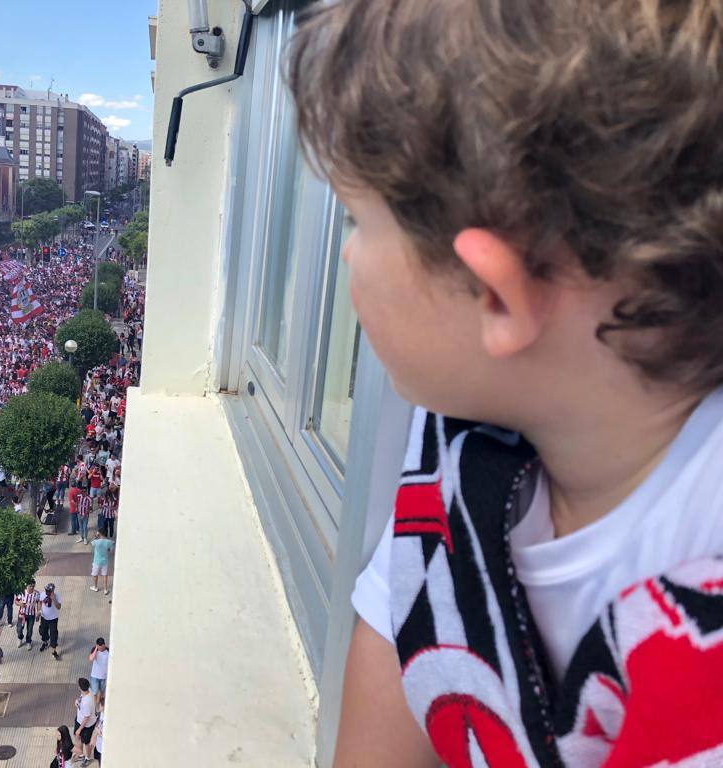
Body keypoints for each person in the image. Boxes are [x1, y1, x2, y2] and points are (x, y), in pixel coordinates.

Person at [288, 3, 723, 765]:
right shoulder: (465, 430)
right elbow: (400, 627)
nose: (349, 257)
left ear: (495, 296)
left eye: (361, 222)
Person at [73, 678, 98, 766]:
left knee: (86, 743)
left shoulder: (86, 703)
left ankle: (88, 758)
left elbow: (86, 717)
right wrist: (78, 701)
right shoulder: (88, 691)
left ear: (80, 687)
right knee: (77, 736)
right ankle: (81, 755)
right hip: (79, 719)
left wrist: (80, 729)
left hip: (87, 725)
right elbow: (82, 697)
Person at [38, 582, 62, 660]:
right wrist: (38, 611)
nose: (46, 592)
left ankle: (54, 651)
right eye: (46, 590)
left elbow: (59, 607)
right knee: (43, 631)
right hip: (44, 617)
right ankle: (45, 643)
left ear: (52, 591)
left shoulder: (57, 596)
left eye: (48, 591)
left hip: (53, 619)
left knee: (53, 634)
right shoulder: (42, 594)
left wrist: (53, 599)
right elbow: (40, 602)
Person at [14, 579, 39, 649]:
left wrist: (38, 612)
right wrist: (20, 604)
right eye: (30, 586)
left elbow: (38, 602)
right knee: (19, 628)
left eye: (33, 586)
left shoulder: (36, 594)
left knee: (30, 629)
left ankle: (28, 641)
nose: (32, 588)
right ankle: (20, 638)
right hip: (22, 614)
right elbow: (16, 601)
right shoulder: (22, 592)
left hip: (31, 615)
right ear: (27, 585)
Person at [89, 529, 114, 595]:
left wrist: (95, 536)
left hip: (96, 561)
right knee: (104, 575)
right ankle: (105, 589)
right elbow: (110, 549)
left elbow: (91, 543)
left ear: (99, 533)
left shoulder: (96, 542)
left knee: (95, 574)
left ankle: (95, 587)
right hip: (105, 561)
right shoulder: (108, 542)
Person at [88, 638, 109, 705]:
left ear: (104, 645)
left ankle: (100, 704)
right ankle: (94, 706)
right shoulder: (95, 650)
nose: (100, 649)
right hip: (94, 676)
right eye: (99, 647)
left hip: (103, 676)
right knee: (94, 692)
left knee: (102, 692)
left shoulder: (108, 651)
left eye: (101, 647)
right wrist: (96, 649)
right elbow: (91, 659)